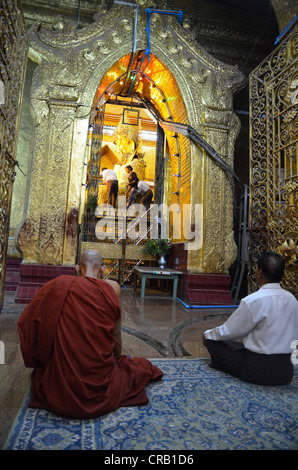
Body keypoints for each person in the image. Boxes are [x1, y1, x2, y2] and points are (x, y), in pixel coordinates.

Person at [17, 250, 163, 419]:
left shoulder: (58, 285)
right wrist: (116, 361)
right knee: (140, 367)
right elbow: (116, 335)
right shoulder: (112, 288)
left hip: (60, 386)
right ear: (102, 268)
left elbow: (28, 323)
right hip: (99, 379)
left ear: (77, 268)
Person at [203, 251, 298, 386]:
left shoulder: (253, 300)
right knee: (236, 344)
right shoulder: (293, 300)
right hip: (285, 372)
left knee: (213, 342)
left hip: (257, 372)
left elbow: (228, 331)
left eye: (256, 268)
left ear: (259, 272)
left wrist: (207, 335)